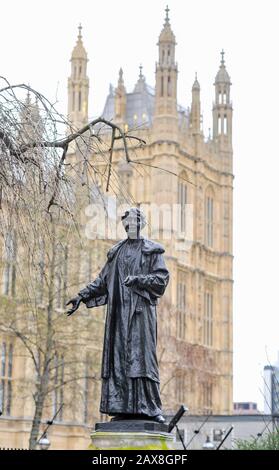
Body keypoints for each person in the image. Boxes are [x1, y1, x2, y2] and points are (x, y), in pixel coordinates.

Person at [66, 207, 169, 423]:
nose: (130, 226)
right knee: (120, 361)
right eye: (126, 223)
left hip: (140, 315)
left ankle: (149, 408)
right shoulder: (117, 252)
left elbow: (161, 281)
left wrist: (138, 280)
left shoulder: (152, 251)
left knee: (142, 360)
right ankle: (123, 407)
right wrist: (81, 296)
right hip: (119, 315)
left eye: (134, 222)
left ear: (141, 224)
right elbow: (102, 281)